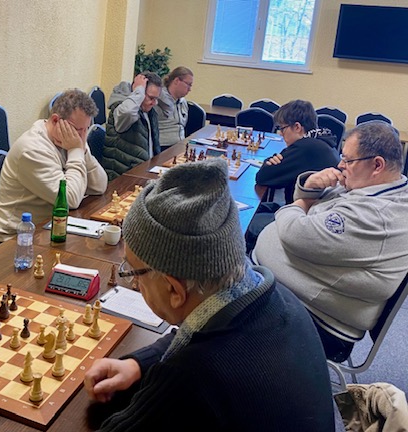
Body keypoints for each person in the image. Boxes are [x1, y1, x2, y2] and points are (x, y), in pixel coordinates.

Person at [84, 159, 335, 431]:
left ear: (174, 290)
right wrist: (138, 364)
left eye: (135, 272)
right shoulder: (274, 298)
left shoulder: (190, 378)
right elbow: (204, 331)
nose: (134, 282)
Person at [253, 121, 408, 363]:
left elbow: (295, 233)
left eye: (348, 160)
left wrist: (299, 205)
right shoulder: (376, 185)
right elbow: (307, 216)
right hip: (299, 296)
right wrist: (310, 188)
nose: (340, 165)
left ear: (377, 165)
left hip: (319, 322)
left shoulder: (376, 216)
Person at [0, 89, 107, 242]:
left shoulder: (73, 139)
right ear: (56, 120)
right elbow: (70, 200)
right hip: (17, 235)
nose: (82, 136)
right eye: (78, 130)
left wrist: (82, 151)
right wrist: (76, 151)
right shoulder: (32, 149)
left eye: (86, 129)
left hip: (52, 223)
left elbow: (99, 186)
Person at [245, 100, 340, 253]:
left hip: (305, 222)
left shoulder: (305, 147)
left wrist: (269, 163)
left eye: (282, 129)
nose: (280, 134)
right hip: (310, 212)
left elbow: (263, 177)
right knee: (257, 208)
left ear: (297, 127)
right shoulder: (321, 141)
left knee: (246, 221)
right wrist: (272, 162)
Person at [101, 71, 162, 180]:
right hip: (123, 177)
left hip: (143, 172)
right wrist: (139, 90)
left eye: (156, 99)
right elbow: (128, 112)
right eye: (151, 98)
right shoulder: (121, 109)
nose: (154, 103)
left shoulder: (149, 112)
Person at [154, 66, 194, 148]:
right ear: (176, 81)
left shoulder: (183, 102)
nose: (190, 89)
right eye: (188, 85)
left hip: (180, 145)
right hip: (162, 147)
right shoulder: (157, 99)